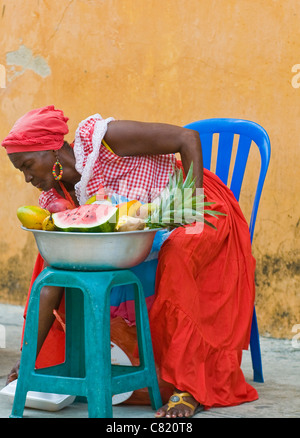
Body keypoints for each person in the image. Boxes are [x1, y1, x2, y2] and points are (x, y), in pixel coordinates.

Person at [1, 105, 258, 418]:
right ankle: (35, 360)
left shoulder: (102, 140)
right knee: (52, 259)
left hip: (200, 208)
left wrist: (189, 207)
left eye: (28, 165)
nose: (27, 177)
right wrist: (27, 360)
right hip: (147, 234)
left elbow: (187, 138)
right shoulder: (57, 199)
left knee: (179, 251)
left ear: (53, 149)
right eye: (21, 171)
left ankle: (189, 387)